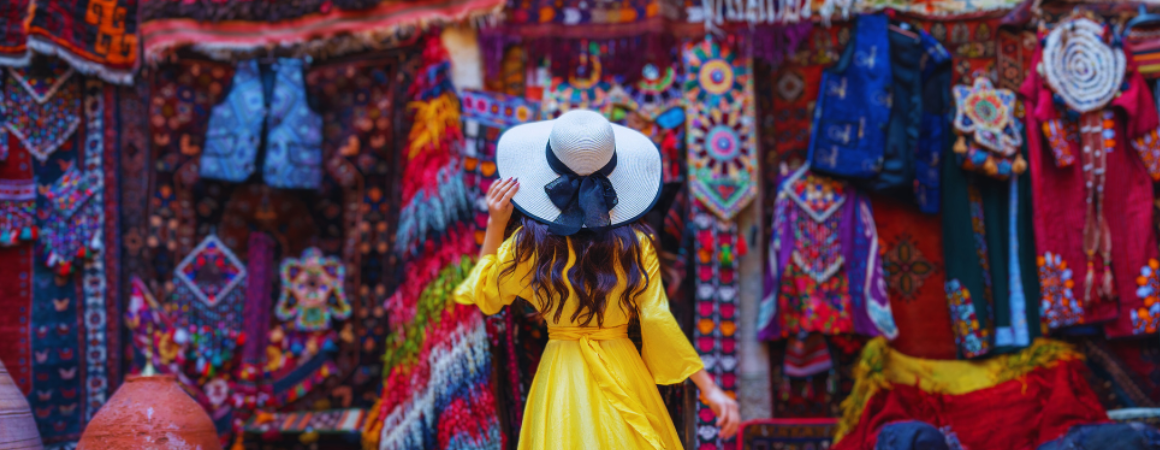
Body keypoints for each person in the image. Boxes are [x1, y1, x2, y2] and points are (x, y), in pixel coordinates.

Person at [453, 110, 740, 449]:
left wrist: (496, 225)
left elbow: (485, 293)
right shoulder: (636, 244)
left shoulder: (529, 245)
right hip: (623, 368)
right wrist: (709, 388)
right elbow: (657, 320)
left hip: (561, 375)